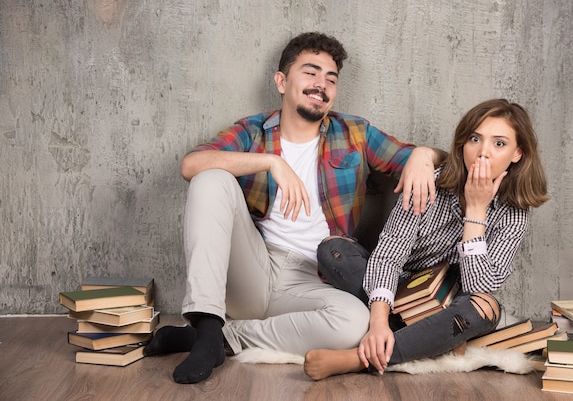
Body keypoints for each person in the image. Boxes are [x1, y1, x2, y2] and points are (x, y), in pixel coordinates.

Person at [143, 32, 446, 384]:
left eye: (330, 79)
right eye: (311, 73)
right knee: (210, 178)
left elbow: (435, 161)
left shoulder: (355, 134)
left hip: (311, 279)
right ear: (282, 81)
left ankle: (215, 340)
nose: (321, 85)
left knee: (353, 322)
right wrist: (271, 162)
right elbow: (191, 164)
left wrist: (424, 155)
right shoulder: (253, 131)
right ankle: (207, 323)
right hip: (252, 269)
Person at [305, 98, 549, 380]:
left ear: (517, 153)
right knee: (333, 249)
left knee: (486, 308)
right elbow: (388, 255)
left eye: (499, 144)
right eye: (475, 139)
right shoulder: (428, 183)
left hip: (450, 303)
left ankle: (357, 360)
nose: (483, 153)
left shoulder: (515, 213)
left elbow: (478, 287)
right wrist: (379, 323)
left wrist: (476, 213)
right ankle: (431, 339)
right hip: (398, 288)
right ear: (462, 144)